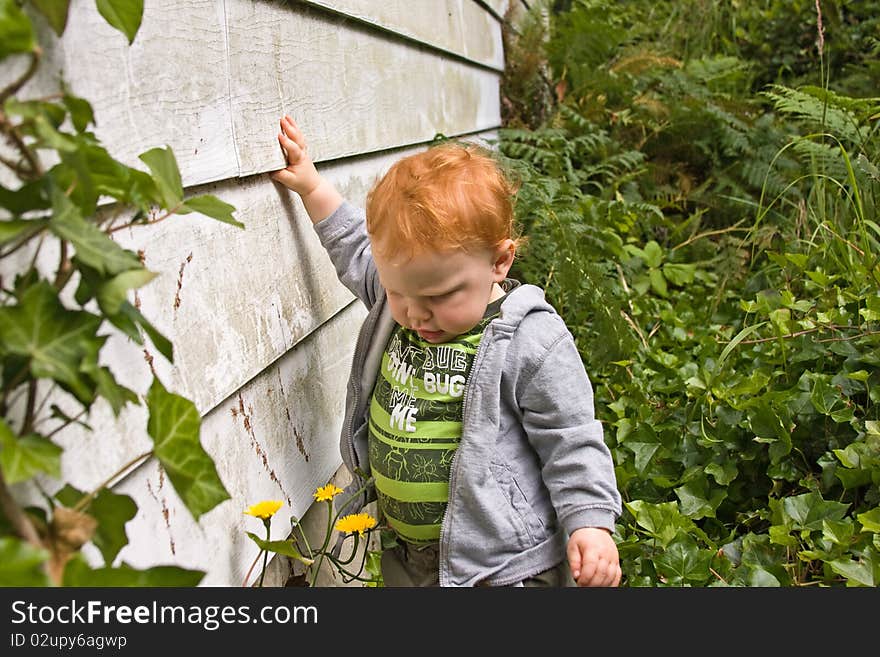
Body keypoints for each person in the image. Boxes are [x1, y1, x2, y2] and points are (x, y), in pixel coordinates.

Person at [270, 115, 622, 587]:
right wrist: (311, 186)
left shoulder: (530, 340)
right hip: (407, 551)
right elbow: (356, 246)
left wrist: (590, 522)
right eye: (400, 293)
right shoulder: (400, 302)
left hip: (503, 565)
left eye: (439, 298)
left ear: (499, 262)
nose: (416, 314)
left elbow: (570, 436)